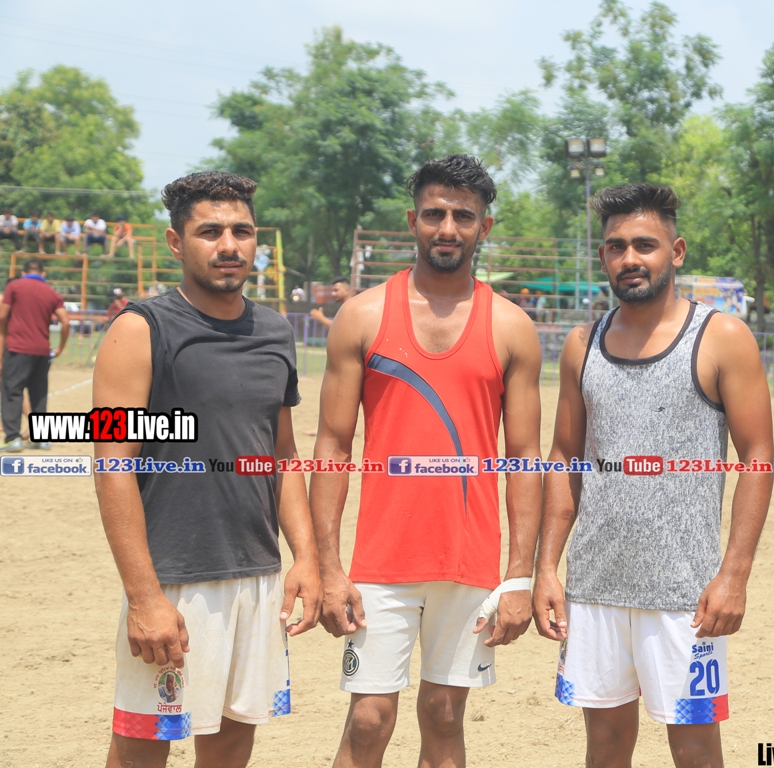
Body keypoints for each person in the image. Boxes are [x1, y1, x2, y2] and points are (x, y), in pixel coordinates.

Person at [310, 154, 543, 768]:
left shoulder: (511, 326)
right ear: (412, 221)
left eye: (463, 216)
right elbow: (332, 446)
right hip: (381, 559)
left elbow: (524, 457)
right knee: (369, 720)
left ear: (483, 227)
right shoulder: (362, 315)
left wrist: (519, 576)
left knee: (443, 714)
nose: (447, 228)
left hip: (469, 559)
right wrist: (328, 567)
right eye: (434, 214)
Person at [533, 183, 774, 768]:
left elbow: (758, 458)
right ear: (603, 256)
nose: (630, 258)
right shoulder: (581, 345)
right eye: (616, 246)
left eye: (645, 244)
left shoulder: (721, 338)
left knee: (694, 749)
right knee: (605, 744)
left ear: (677, 251)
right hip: (595, 585)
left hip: (686, 593)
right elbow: (564, 459)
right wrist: (546, 568)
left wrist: (734, 574)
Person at [93, 171, 320, 767]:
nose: (229, 245)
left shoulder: (275, 330)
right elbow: (112, 467)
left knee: (232, 743)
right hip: (173, 579)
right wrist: (144, 597)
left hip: (256, 575)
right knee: (142, 748)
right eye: (210, 231)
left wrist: (306, 556)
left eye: (241, 231)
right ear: (176, 242)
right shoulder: (140, 328)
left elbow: (282, 455)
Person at [0, 258, 68, 452]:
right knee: (38, 393)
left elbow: (2, 316)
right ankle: (41, 438)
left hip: (17, 348)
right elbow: (65, 321)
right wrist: (60, 347)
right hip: (42, 351)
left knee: (12, 391)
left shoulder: (14, 286)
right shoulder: (52, 293)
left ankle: (13, 438)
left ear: (23, 273)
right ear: (43, 274)